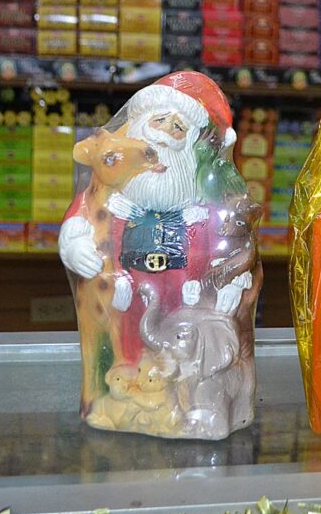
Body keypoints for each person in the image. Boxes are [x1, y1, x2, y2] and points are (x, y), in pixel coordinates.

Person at [59, 72, 253, 363]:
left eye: (178, 127)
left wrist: (233, 283)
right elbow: (83, 214)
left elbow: (234, 248)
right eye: (159, 120)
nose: (164, 134)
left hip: (186, 300)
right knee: (126, 351)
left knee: (182, 356)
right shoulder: (109, 196)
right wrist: (74, 244)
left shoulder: (205, 207)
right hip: (126, 294)